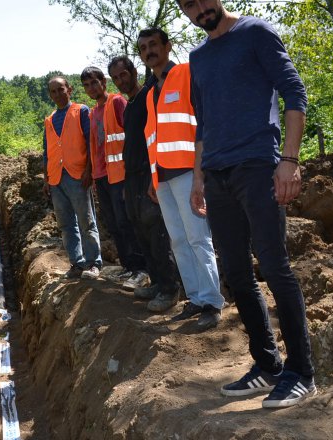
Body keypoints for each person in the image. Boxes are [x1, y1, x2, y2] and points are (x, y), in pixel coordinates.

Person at [179, 0, 316, 408]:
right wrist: (199, 177)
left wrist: (288, 162)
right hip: (217, 174)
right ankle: (268, 365)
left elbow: (295, 93)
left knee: (274, 266)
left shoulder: (256, 32)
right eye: (188, 4)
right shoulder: (197, 57)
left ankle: (301, 373)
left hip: (257, 165)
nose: (199, 8)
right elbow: (201, 121)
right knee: (237, 272)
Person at [139, 28, 225, 331]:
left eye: (153, 45)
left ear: (167, 46)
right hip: (163, 177)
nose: (149, 51)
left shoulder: (187, 73)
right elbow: (154, 139)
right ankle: (196, 298)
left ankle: (213, 302)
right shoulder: (151, 93)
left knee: (198, 238)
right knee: (178, 240)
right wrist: (153, 177)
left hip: (189, 172)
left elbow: (202, 122)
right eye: (144, 48)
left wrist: (201, 173)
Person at [107, 56, 181, 312]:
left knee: (157, 230)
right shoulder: (129, 107)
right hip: (132, 177)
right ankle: (158, 282)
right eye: (115, 78)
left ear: (134, 72)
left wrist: (154, 173)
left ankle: (171, 288)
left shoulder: (149, 96)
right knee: (140, 230)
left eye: (123, 75)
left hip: (148, 173)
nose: (120, 81)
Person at [79, 66, 148, 289]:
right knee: (114, 225)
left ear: (103, 82)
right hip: (101, 176)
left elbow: (132, 136)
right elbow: (94, 146)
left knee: (126, 222)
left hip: (119, 174)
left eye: (94, 83)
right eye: (87, 85)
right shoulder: (92, 112)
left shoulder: (116, 102)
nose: (91, 88)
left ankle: (141, 270)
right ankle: (128, 266)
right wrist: (90, 171)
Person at [42, 76, 102, 279]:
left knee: (86, 221)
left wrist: (89, 170)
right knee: (66, 224)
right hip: (56, 178)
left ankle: (93, 262)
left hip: (77, 175)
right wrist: (46, 177)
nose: (58, 94)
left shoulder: (81, 111)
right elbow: (46, 151)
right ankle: (77, 263)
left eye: (61, 89)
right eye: (53, 91)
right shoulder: (50, 119)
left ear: (69, 89)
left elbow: (90, 141)